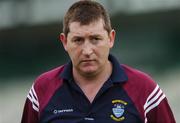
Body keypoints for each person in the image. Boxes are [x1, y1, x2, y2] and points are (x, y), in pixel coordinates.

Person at [21, 0, 176, 123]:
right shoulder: (42, 90)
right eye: (78, 40)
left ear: (111, 38)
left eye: (95, 39)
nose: (87, 51)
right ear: (64, 42)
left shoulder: (145, 90)